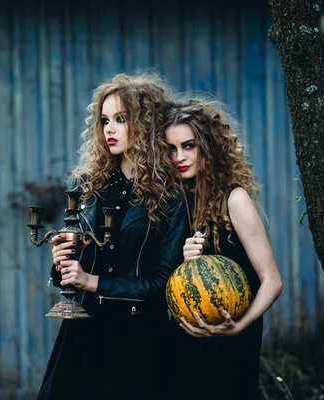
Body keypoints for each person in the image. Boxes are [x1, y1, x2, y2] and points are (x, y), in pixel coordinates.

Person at [37, 73, 188, 400]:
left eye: (121, 119)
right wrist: (62, 263)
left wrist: (93, 282)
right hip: (84, 333)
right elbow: (70, 279)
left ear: (146, 123)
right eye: (105, 120)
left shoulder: (171, 196)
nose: (109, 128)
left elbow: (164, 283)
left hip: (139, 338)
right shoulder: (87, 187)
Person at [163, 97, 283, 399]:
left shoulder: (235, 199)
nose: (180, 156)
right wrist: (186, 259)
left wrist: (239, 327)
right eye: (171, 149)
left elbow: (272, 281)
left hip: (231, 341)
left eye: (189, 146)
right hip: (184, 341)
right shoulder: (178, 204)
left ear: (210, 146)